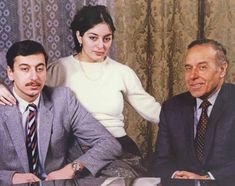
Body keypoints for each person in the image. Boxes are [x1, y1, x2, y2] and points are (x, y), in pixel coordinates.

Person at [0, 5, 161, 156]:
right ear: (79, 36)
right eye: (93, 38)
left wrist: (182, 118)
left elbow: (152, 109)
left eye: (107, 38)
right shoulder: (59, 68)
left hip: (118, 145)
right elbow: (25, 89)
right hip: (74, 149)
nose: (101, 45)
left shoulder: (122, 72)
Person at [0, 40, 122, 185]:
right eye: (25, 69)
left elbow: (109, 144)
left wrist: (72, 168)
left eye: (40, 69)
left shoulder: (62, 99)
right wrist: (11, 177)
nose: (34, 77)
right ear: (10, 73)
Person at [152, 38, 235, 183]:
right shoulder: (172, 108)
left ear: (221, 69)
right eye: (188, 68)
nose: (192, 76)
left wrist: (206, 178)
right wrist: (179, 175)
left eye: (202, 67)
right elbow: (161, 161)